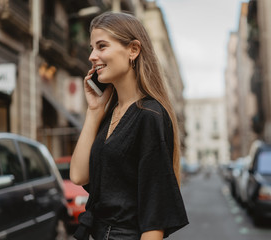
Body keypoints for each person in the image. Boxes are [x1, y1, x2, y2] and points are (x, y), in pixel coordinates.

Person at [70, 12, 189, 240]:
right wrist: (94, 111)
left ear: (133, 50)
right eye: (92, 48)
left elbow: (154, 219)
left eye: (101, 46)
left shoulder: (149, 115)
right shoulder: (110, 113)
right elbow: (78, 175)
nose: (92, 56)